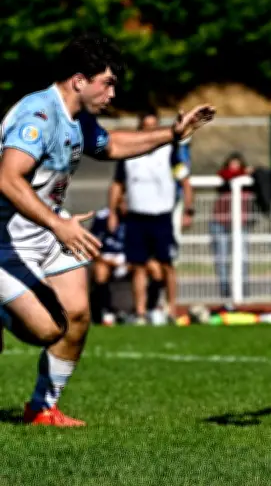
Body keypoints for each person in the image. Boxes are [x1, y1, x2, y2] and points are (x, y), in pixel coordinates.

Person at [0, 33, 215, 426]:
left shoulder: (76, 118)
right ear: (79, 80)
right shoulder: (39, 116)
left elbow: (112, 145)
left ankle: (42, 408)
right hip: (7, 242)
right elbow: (7, 178)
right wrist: (58, 223)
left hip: (46, 231)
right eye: (108, 83)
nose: (113, 93)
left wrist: (172, 134)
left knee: (78, 316)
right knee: (47, 330)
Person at [107, 110, 195, 324]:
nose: (150, 131)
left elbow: (184, 181)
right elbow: (117, 184)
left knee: (167, 264)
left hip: (161, 216)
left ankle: (171, 309)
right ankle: (140, 313)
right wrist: (112, 212)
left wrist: (188, 210)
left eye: (153, 126)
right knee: (138, 266)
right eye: (146, 127)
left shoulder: (169, 151)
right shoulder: (129, 154)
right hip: (136, 216)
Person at [210, 152, 254, 304]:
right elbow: (223, 175)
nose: (234, 168)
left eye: (237, 165)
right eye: (231, 164)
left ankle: (243, 291)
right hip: (220, 223)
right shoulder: (223, 178)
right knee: (221, 259)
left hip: (240, 224)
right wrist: (239, 173)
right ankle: (225, 293)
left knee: (242, 258)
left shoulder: (247, 181)